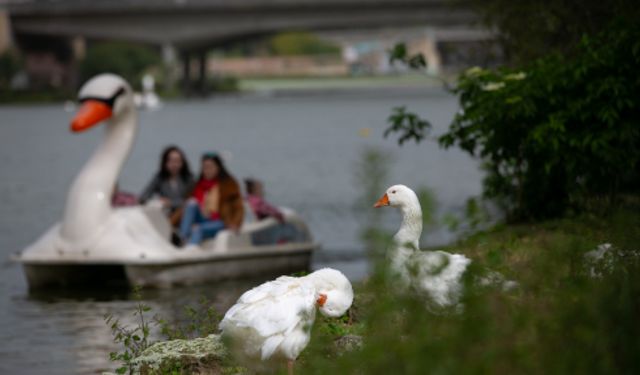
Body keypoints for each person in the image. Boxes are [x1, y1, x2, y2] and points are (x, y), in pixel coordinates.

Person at [179, 152, 244, 245]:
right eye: (205, 167)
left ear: (218, 168)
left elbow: (238, 207)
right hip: (202, 218)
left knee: (198, 228)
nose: (207, 170)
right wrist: (172, 221)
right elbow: (184, 210)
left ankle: (190, 250)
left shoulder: (228, 185)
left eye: (210, 167)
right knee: (191, 203)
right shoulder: (197, 185)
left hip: (220, 221)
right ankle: (182, 238)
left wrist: (236, 223)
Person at [139, 145, 195, 223]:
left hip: (184, 215)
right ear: (165, 162)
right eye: (171, 161)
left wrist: (171, 203)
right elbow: (144, 196)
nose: (174, 164)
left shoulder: (189, 178)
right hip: (165, 214)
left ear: (182, 163)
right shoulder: (159, 178)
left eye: (177, 161)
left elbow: (193, 201)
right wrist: (157, 202)